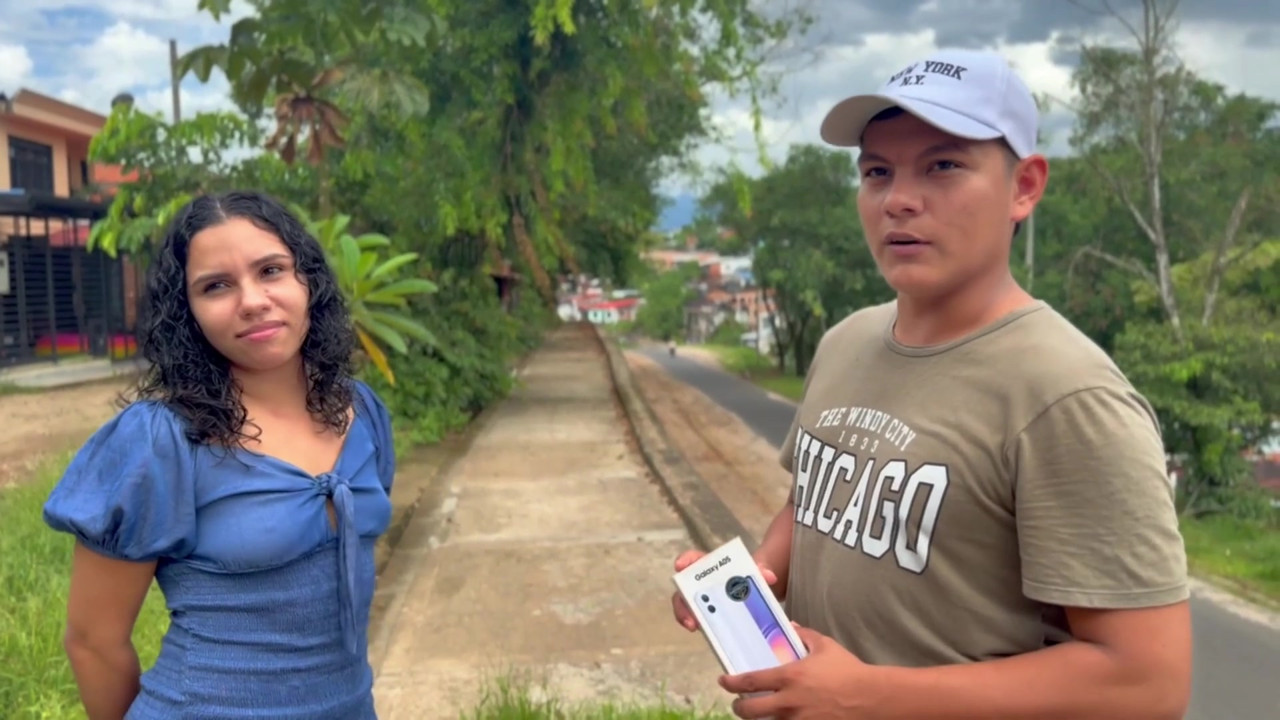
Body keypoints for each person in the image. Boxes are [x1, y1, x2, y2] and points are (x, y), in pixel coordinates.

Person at [670, 48, 1191, 720]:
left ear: (1024, 186)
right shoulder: (847, 341)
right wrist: (745, 583)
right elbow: (814, 510)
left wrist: (868, 696)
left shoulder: (1068, 397)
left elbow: (1147, 682)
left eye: (943, 166)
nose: (899, 200)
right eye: (877, 172)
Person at [43, 190, 396, 719]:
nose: (252, 300)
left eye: (272, 270)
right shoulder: (161, 442)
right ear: (188, 313)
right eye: (216, 286)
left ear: (309, 281)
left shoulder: (362, 413)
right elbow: (93, 641)